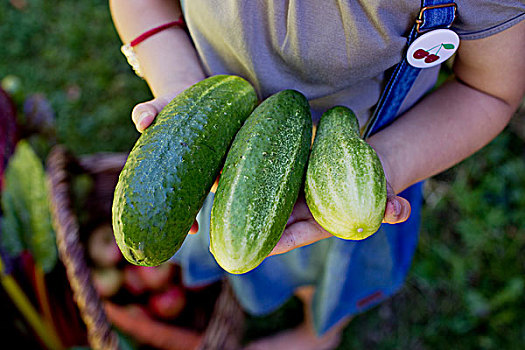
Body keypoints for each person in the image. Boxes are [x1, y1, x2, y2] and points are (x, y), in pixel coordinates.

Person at [109, 1, 525, 349]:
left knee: (328, 268)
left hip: (359, 170)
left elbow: (488, 89)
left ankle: (317, 332)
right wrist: (184, 90)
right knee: (250, 255)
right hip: (223, 167)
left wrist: (387, 165)